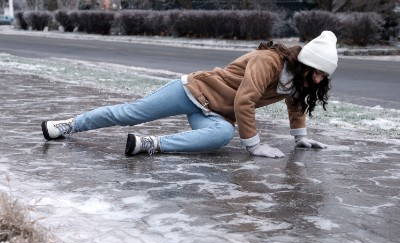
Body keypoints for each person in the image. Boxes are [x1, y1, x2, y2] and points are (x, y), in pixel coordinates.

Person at [41, 31, 338, 158]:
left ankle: (151, 144)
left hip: (215, 113)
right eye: (317, 71)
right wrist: (254, 146)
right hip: (192, 90)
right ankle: (68, 125)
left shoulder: (299, 81)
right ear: (304, 63)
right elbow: (244, 100)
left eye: (324, 75)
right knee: (130, 114)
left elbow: (296, 102)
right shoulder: (269, 61)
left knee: (221, 136)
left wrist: (300, 137)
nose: (319, 78)